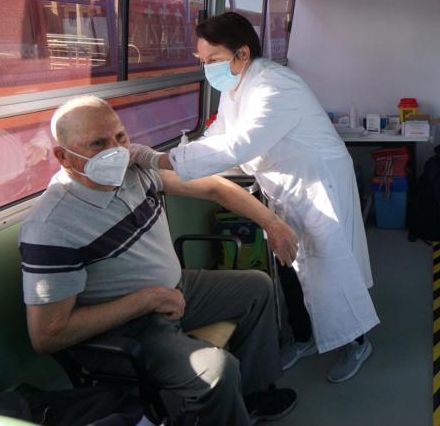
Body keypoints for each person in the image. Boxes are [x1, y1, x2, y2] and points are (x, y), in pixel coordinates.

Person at [18, 95, 299, 426]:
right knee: (217, 373)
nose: (116, 151)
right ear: (64, 157)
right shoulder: (51, 227)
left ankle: (251, 397)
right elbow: (47, 335)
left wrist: (272, 223)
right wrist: (147, 299)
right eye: (98, 143)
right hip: (127, 327)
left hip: (175, 290)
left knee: (257, 286)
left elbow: (213, 188)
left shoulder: (134, 173)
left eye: (120, 137)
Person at [132, 12, 379, 383]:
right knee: (288, 265)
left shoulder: (274, 86)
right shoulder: (236, 87)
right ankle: (304, 336)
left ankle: (357, 342)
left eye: (213, 60)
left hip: (316, 184)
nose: (207, 69)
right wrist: (178, 158)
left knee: (330, 267)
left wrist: (161, 160)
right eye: (202, 62)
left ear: (242, 53)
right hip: (284, 186)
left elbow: (240, 143)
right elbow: (218, 134)